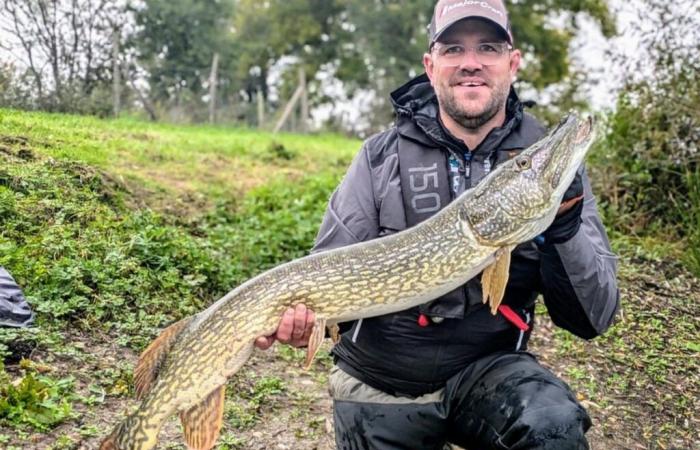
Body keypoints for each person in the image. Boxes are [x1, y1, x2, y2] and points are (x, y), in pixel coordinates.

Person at [257, 0, 620, 448]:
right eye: (453, 49)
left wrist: (562, 233)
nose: (470, 63)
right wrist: (306, 321)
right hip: (382, 378)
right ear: (431, 66)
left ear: (513, 63)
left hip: (490, 372)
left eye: (487, 47)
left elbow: (594, 317)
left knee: (553, 426)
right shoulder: (379, 158)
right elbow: (326, 274)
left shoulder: (552, 173)